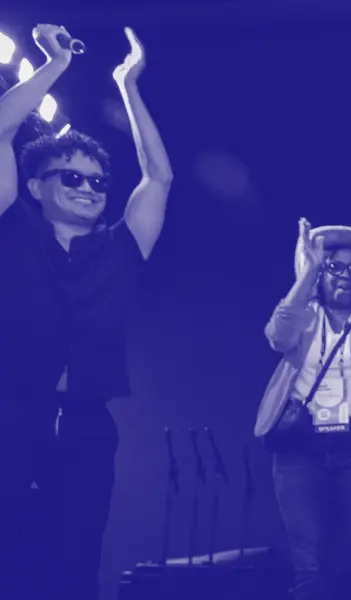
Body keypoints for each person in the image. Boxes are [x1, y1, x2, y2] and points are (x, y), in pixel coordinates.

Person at [0, 25, 172, 599]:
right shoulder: (14, 228)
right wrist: (53, 64)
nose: (88, 187)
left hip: (86, 423)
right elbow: (2, 127)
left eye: (97, 180)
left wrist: (128, 85)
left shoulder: (121, 248)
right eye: (71, 177)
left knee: (75, 558)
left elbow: (159, 176)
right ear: (35, 185)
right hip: (13, 412)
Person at [255, 217, 351, 600]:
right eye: (335, 267)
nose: (346, 275)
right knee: (309, 567)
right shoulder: (304, 316)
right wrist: (307, 272)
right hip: (299, 451)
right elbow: (278, 336)